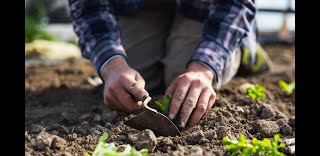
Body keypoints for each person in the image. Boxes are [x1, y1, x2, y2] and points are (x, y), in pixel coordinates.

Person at [68, 0, 272, 129]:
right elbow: (89, 7)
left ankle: (242, 47)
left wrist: (204, 69)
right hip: (140, 6)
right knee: (135, 77)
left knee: (180, 77)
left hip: (202, 8)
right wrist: (112, 65)